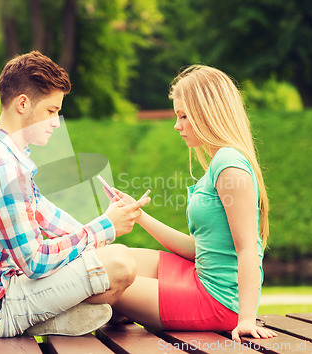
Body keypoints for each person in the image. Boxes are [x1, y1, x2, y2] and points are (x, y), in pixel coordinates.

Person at [0, 51, 150, 339]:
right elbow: (35, 262)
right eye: (51, 111)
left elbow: (48, 216)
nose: (56, 122)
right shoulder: (3, 168)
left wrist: (107, 224)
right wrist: (104, 228)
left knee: (117, 260)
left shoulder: (7, 153)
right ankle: (51, 319)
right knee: (120, 265)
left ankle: (67, 316)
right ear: (22, 104)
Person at [110, 65, 278, 342]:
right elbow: (198, 248)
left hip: (216, 300)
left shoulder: (229, 165)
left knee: (100, 281)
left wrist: (246, 319)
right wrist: (140, 216)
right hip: (198, 275)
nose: (177, 125)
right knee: (113, 259)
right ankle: (117, 310)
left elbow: (248, 248)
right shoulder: (219, 163)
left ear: (208, 113)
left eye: (184, 116)